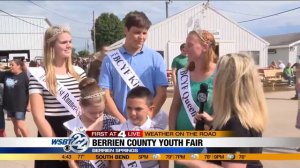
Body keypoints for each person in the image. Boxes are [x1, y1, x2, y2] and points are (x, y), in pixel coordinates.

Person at [177, 53, 268, 168]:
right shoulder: (246, 117)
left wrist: (190, 160)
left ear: (225, 83)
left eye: (216, 74)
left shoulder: (235, 125)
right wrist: (214, 122)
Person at [29, 25, 86, 168]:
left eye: (70, 41)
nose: (69, 46)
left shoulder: (79, 72)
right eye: (63, 42)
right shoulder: (39, 75)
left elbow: (87, 108)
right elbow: (38, 116)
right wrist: (58, 147)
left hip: (77, 134)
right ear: (51, 45)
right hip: (50, 133)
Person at [100, 11, 168, 124]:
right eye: (137, 32)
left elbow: (162, 94)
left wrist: (147, 118)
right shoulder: (109, 60)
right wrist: (122, 122)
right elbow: (105, 95)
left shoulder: (156, 58)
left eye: (144, 33)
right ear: (126, 30)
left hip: (148, 125)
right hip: (119, 124)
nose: (141, 37)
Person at [64, 77, 119, 168]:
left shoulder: (112, 123)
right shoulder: (73, 126)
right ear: (82, 105)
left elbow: (116, 156)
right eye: (92, 113)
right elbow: (71, 159)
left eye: (101, 111)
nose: (97, 115)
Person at [111, 86, 169, 168]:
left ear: (150, 109)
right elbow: (115, 165)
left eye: (138, 109)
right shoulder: (118, 133)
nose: (133, 113)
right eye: (129, 108)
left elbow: (164, 164)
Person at [0, 59, 30, 137]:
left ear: (18, 66)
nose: (11, 66)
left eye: (12, 65)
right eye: (10, 65)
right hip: (9, 105)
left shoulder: (24, 76)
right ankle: (19, 142)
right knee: (15, 125)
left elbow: (30, 91)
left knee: (20, 124)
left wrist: (29, 104)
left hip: (20, 105)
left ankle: (30, 143)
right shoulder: (7, 74)